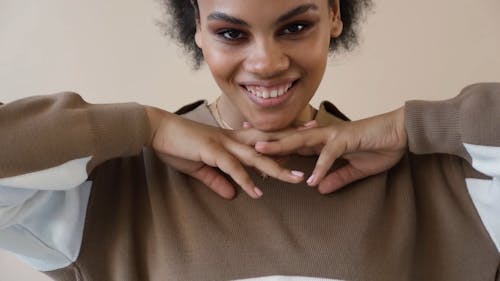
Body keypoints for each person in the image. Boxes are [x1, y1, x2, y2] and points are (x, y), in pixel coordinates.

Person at [0, 0, 499, 281]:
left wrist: (415, 127)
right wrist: (145, 126)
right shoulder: (109, 185)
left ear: (335, 16)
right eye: (232, 34)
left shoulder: (444, 183)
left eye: (296, 26)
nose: (266, 63)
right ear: (197, 27)